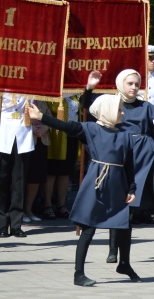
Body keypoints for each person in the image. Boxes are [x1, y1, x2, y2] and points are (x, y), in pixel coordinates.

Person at [28, 92, 138, 286]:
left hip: (117, 185)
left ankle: (124, 264)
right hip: (97, 184)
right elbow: (65, 125)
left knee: (124, 225)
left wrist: (132, 188)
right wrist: (41, 117)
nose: (122, 113)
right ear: (107, 111)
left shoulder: (125, 135)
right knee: (88, 228)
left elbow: (129, 164)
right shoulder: (90, 129)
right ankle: (78, 273)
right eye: (119, 109)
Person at [105, 68, 154, 262]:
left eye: (136, 84)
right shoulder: (113, 105)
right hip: (124, 158)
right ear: (120, 84)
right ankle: (113, 250)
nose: (134, 87)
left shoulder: (147, 107)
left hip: (148, 156)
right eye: (130, 83)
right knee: (121, 205)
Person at [1, 93, 34, 237]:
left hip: (22, 132)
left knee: (19, 182)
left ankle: (16, 224)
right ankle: (2, 224)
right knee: (2, 181)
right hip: (3, 132)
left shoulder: (30, 86)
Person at [42, 95, 77, 220]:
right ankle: (47, 205)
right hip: (56, 137)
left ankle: (61, 205)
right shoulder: (54, 93)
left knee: (65, 172)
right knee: (52, 172)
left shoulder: (73, 95)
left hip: (71, 136)